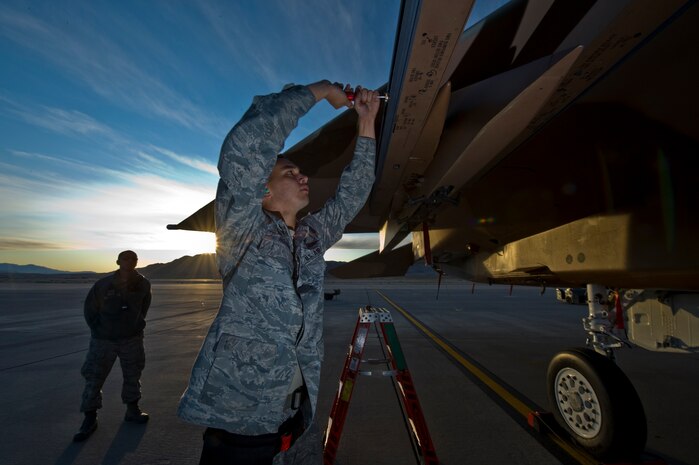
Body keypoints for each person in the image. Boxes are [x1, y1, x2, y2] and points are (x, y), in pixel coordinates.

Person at [177, 80, 380, 465]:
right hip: (240, 423)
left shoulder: (309, 238)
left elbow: (353, 193)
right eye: (290, 171)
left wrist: (366, 123)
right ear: (263, 191)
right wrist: (320, 92)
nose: (303, 176)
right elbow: (247, 145)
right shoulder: (243, 229)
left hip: (293, 420)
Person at [73, 250, 152, 442]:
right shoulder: (103, 284)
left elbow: (144, 307)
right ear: (118, 261)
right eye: (126, 258)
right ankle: (90, 417)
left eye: (133, 258)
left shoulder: (143, 283)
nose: (130, 261)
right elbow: (90, 309)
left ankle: (132, 410)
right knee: (94, 376)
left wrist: (135, 325)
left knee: (133, 374)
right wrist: (99, 331)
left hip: (131, 338)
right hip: (104, 340)